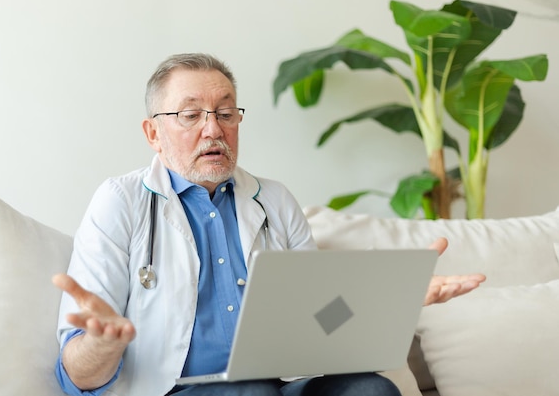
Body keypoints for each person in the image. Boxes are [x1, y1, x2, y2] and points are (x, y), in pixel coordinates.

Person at [53, 53, 486, 396]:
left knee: (371, 389)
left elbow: (319, 323)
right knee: (248, 390)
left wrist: (390, 301)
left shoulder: (274, 200)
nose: (213, 130)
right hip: (175, 392)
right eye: (190, 115)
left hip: (277, 387)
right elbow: (78, 375)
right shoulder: (119, 202)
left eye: (226, 113)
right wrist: (104, 343)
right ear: (153, 133)